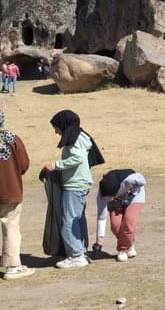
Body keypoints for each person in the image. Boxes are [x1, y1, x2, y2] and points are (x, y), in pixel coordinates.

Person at [42, 110, 97, 269]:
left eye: (56, 127)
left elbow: (77, 158)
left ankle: (75, 256)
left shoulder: (75, 139)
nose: (55, 131)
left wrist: (55, 165)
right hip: (81, 183)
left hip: (75, 184)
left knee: (68, 220)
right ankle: (80, 251)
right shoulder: (81, 136)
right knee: (77, 220)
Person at [0, 110, 35, 280]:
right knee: (11, 227)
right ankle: (13, 266)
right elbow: (24, 164)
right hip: (10, 191)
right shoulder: (12, 139)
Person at [94, 169, 146, 262]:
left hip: (135, 197)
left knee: (129, 221)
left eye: (109, 197)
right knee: (115, 225)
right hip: (116, 202)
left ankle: (123, 249)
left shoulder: (130, 180)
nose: (107, 200)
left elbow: (141, 179)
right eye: (106, 198)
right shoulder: (102, 194)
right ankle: (129, 243)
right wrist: (99, 239)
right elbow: (101, 216)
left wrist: (133, 189)